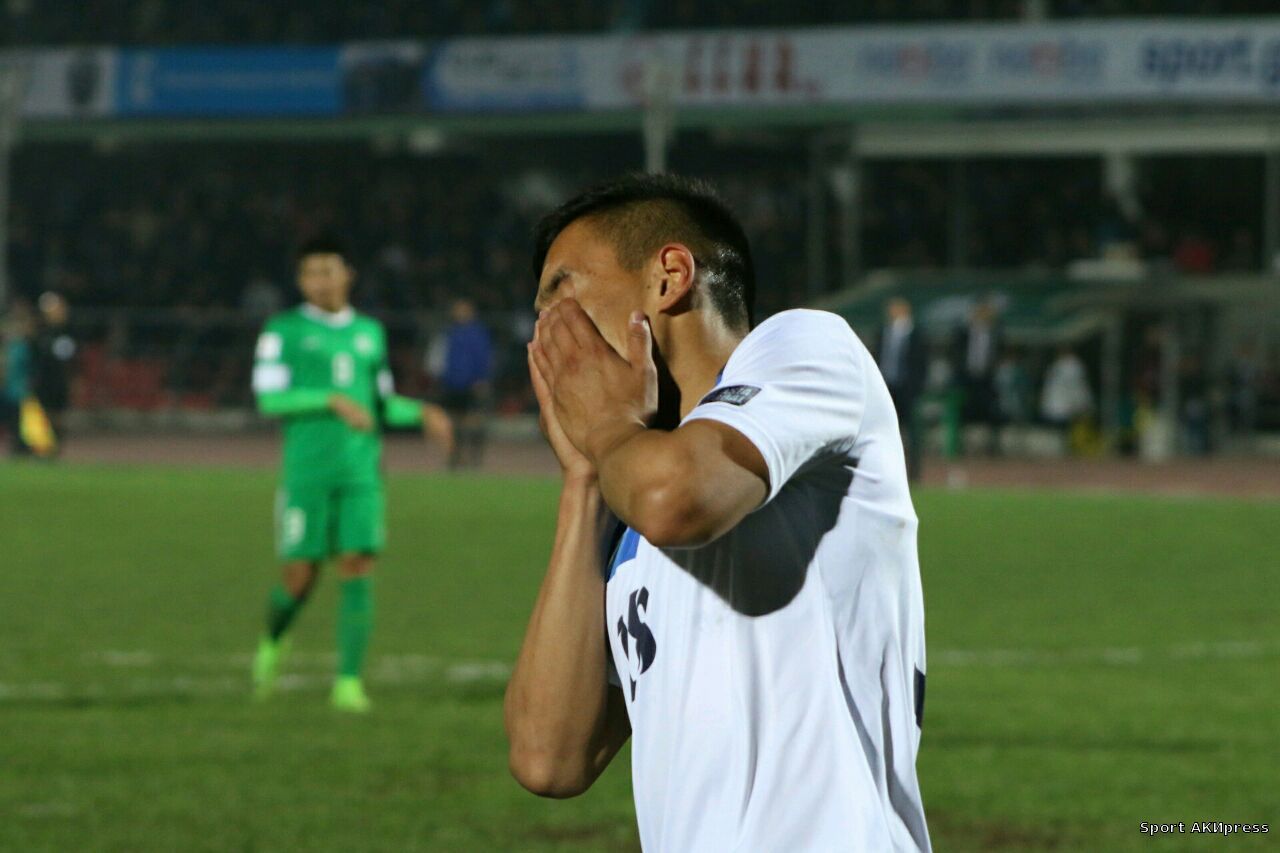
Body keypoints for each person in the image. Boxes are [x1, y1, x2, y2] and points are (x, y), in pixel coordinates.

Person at [505, 175, 930, 851]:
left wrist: (607, 428)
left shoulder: (806, 345)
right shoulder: (627, 504)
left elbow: (676, 500)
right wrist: (583, 482)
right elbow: (547, 758)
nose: (547, 334)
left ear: (670, 276)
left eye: (563, 291)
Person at [249, 235, 453, 712]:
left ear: (348, 275)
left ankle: (348, 683)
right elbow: (269, 399)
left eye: (328, 271)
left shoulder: (369, 333)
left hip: (361, 473)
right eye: (311, 273)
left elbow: (379, 404)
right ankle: (272, 641)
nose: (320, 281)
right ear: (300, 280)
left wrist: (422, 412)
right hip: (307, 474)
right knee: (299, 577)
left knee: (358, 566)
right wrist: (329, 399)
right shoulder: (282, 331)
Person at [876, 297, 928, 482]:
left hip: (907, 390)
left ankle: (914, 473)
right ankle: (885, 471)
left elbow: (921, 364)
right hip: (886, 388)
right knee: (884, 431)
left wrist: (916, 388)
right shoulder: (883, 332)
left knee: (912, 432)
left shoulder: (916, 334)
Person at [438, 298, 493, 470]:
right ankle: (456, 457)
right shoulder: (451, 332)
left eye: (462, 310)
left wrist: (482, 378)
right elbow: (446, 358)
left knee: (474, 420)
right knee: (454, 421)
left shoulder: (477, 333)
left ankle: (474, 457)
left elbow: (484, 358)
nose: (459, 313)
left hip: (472, 384)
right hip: (453, 383)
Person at [954, 297, 1002, 454]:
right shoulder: (963, 332)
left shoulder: (996, 332)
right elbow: (956, 354)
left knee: (991, 412)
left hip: (988, 379)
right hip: (967, 379)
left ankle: (991, 447)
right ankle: (962, 446)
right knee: (965, 412)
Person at [33, 292, 77, 442]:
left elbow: (72, 357)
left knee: (58, 413)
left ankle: (56, 442)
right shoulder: (41, 331)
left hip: (59, 379)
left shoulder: (68, 330)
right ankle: (46, 442)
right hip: (43, 378)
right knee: (44, 413)